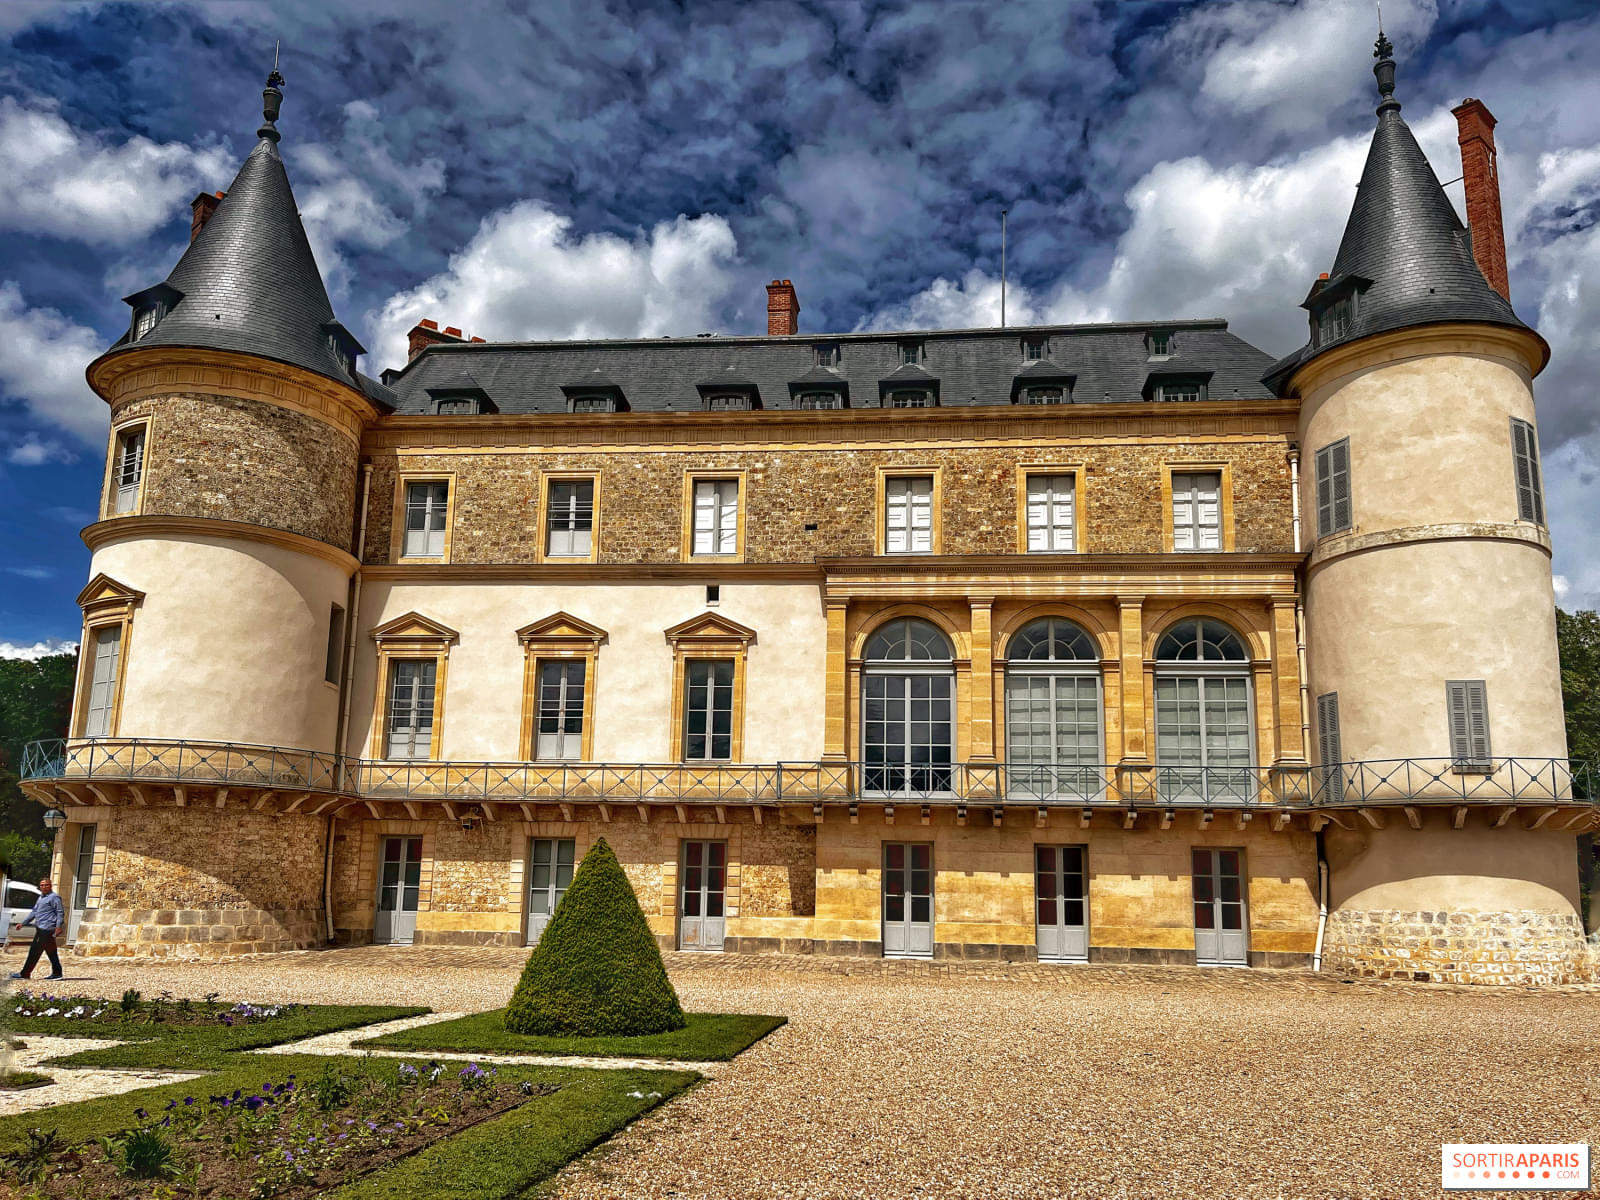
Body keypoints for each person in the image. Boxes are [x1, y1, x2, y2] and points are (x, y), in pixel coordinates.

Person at [9, 879, 64, 981]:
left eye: (46, 885)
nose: (44, 887)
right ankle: (57, 973)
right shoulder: (40, 897)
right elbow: (34, 912)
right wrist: (23, 923)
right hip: (40, 928)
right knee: (51, 952)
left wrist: (58, 927)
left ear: (50, 886)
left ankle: (25, 973)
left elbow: (60, 912)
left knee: (34, 951)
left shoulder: (54, 897)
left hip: (47, 929)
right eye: (42, 885)